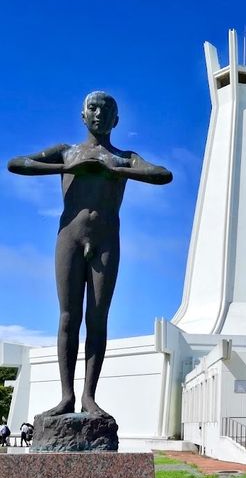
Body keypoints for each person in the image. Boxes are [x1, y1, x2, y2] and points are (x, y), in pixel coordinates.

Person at [8, 91, 172, 418]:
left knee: (97, 319)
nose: (99, 113)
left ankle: (88, 397)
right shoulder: (66, 152)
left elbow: (162, 174)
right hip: (69, 237)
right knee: (69, 317)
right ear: (83, 116)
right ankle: (66, 396)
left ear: (116, 120)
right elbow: (17, 163)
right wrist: (75, 165)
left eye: (107, 109)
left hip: (106, 240)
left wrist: (116, 169)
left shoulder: (124, 157)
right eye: (93, 108)